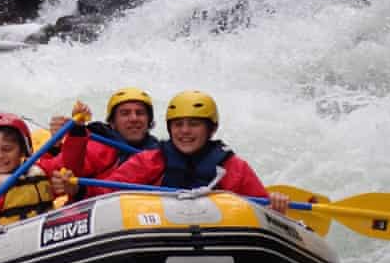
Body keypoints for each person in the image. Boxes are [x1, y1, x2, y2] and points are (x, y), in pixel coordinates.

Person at [51, 90, 290, 213]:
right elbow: (105, 191)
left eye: (194, 124)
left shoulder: (234, 168)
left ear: (211, 129)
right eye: (178, 125)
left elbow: (261, 208)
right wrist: (78, 188)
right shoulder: (151, 160)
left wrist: (275, 207)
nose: (185, 131)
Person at [0, 107, 88, 234]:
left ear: (23, 151)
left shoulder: (40, 171)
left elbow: (70, 163)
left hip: (48, 235)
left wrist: (77, 132)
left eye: (7, 149)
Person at [43, 87, 160, 201]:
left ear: (149, 121)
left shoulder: (158, 153)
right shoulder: (101, 145)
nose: (134, 118)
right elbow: (67, 168)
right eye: (125, 113)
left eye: (140, 113)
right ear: (112, 123)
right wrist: (73, 134)